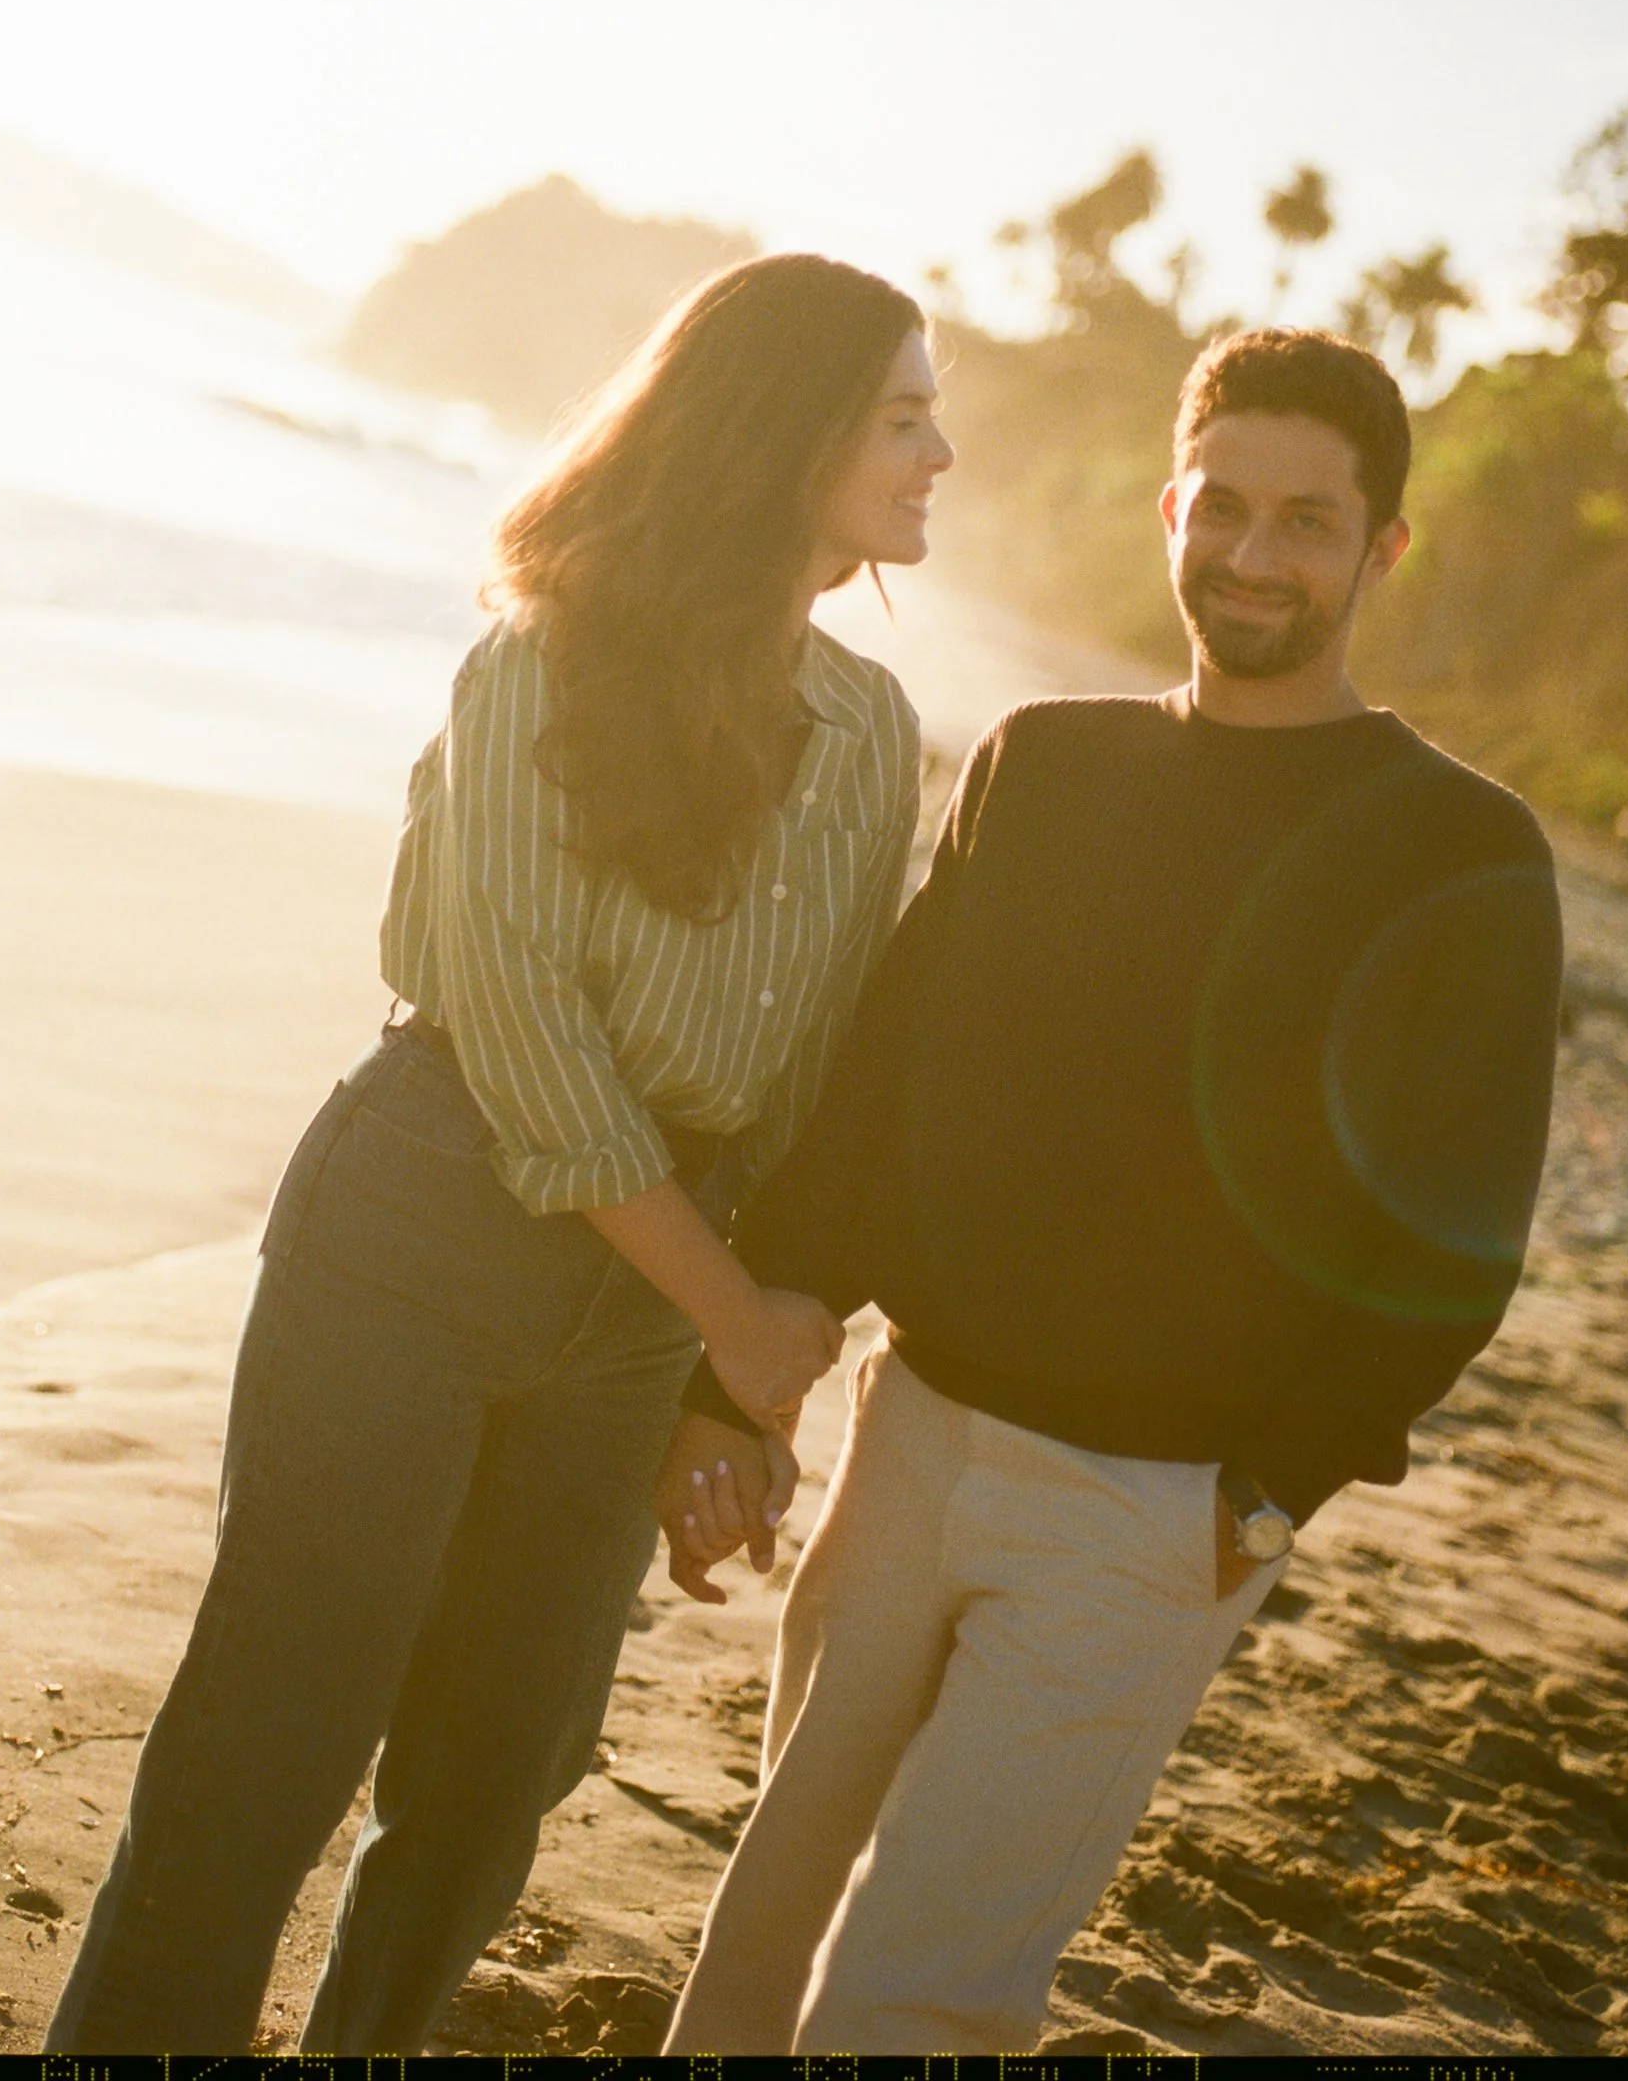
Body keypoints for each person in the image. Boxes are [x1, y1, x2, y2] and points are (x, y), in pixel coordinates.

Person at [43, 253, 951, 2054]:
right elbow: (533, 1052)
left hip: (639, 1298)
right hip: (422, 1219)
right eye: (904, 418)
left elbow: (811, 1081)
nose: (942, 458)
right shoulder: (534, 667)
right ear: (784, 437)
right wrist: (743, 1327)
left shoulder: (872, 736)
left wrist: (729, 1388)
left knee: (499, 1771)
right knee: (275, 1734)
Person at [660, 325, 1564, 2057]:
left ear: (1382, 551)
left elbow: (1454, 1243)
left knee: (915, 1990)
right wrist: (745, 1366)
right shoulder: (1045, 762)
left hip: (1150, 1517)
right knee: (763, 1920)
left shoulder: (1461, 850)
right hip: (911, 1438)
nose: (1252, 554)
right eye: (1222, 506)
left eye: (1308, 522)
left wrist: (1271, 1496)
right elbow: (881, 1089)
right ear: (1169, 507)